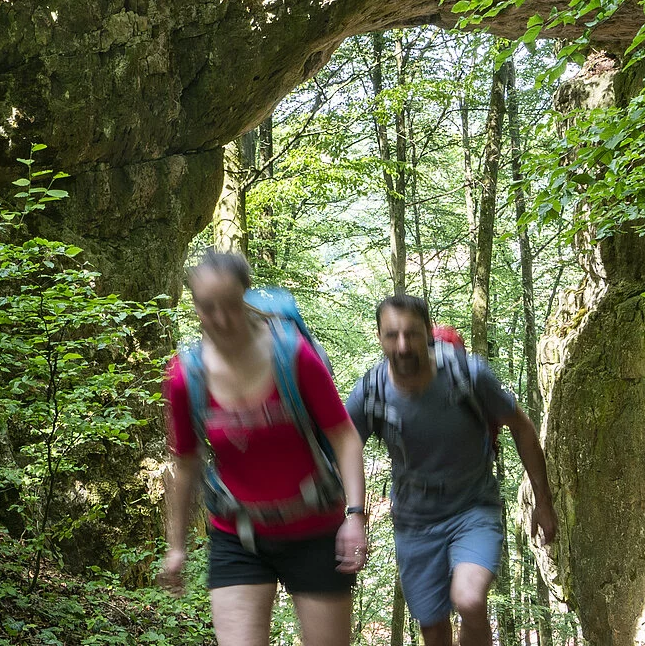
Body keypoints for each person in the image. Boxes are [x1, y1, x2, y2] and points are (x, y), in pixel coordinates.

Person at [158, 251, 372, 646]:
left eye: (230, 306)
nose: (221, 320)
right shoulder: (186, 378)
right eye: (208, 309)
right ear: (194, 307)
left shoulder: (293, 356)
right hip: (238, 536)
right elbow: (186, 463)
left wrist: (355, 516)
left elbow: (344, 436)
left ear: (245, 296)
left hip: (314, 529)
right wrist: (176, 547)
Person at [348, 294, 559, 646]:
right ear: (379, 337)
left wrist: (543, 500)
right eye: (392, 335)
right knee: (432, 626)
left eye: (412, 334)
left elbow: (520, 425)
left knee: (469, 598)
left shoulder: (468, 374)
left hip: (472, 508)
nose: (402, 345)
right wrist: (353, 515)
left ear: (428, 334)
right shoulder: (371, 393)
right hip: (414, 523)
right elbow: (344, 445)